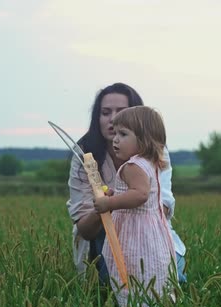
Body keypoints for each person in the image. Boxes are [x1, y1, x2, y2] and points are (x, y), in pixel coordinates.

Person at [66, 83, 187, 285]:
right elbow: (85, 230)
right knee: (120, 283)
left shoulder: (155, 153)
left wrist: (117, 204)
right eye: (105, 112)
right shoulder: (84, 156)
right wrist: (103, 207)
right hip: (105, 237)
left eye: (121, 112)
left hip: (151, 234)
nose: (112, 119)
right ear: (97, 118)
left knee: (170, 278)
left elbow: (162, 206)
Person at [93, 106, 176, 307]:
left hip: (135, 232)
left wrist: (109, 203)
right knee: (150, 268)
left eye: (123, 134)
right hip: (150, 230)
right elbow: (137, 194)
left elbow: (139, 194)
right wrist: (116, 195)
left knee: (131, 269)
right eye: (115, 133)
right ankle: (156, 304)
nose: (115, 139)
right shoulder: (150, 163)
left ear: (144, 139)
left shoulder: (133, 166)